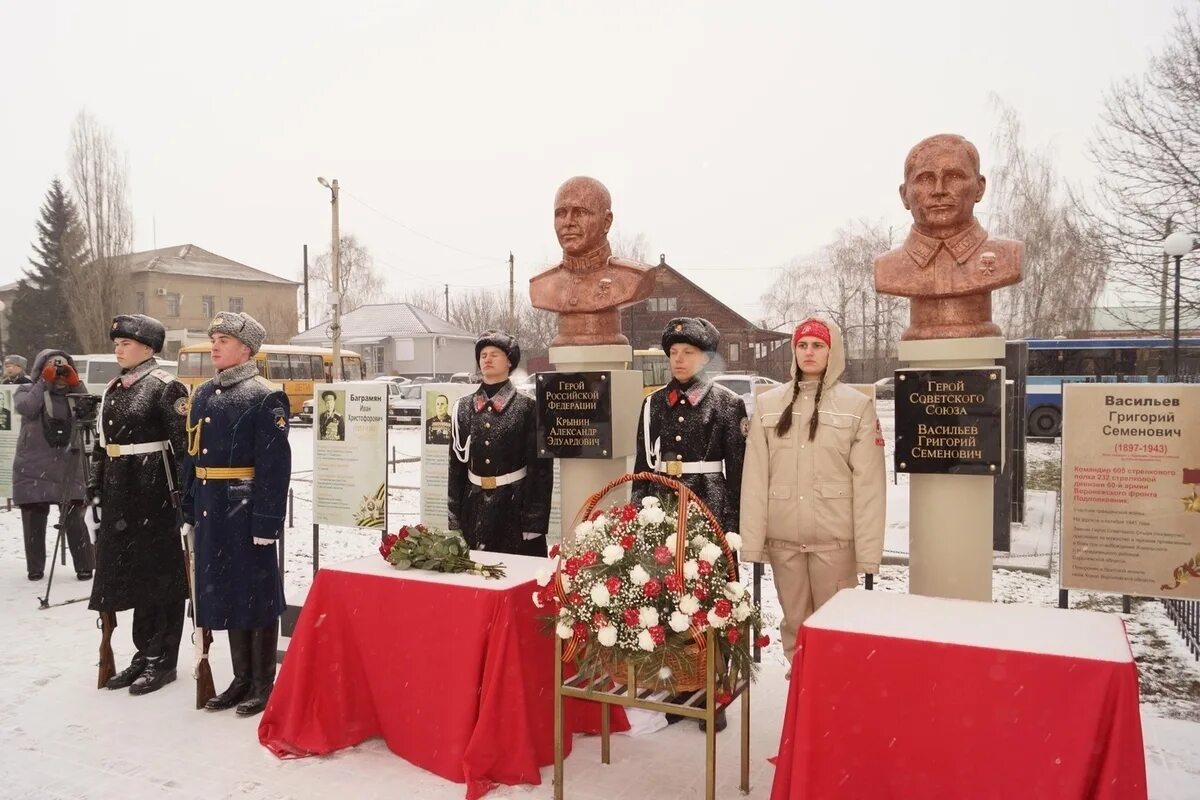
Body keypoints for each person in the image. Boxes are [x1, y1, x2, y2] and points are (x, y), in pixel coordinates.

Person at [740, 318, 886, 666]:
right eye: (802, 345)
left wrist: (868, 554)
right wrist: (753, 542)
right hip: (784, 542)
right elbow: (756, 477)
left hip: (836, 544)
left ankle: (834, 699)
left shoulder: (856, 406)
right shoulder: (770, 404)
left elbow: (869, 485)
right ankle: (801, 695)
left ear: (831, 352)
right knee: (794, 626)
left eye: (817, 346)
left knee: (836, 630)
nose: (809, 352)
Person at [632, 317, 747, 733]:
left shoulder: (727, 404)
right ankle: (680, 686)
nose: (679, 360)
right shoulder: (652, 405)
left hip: (708, 506)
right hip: (663, 507)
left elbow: (738, 471)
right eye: (674, 353)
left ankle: (713, 693)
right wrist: (638, 519)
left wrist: (732, 527)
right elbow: (643, 466)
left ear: (706, 357)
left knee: (708, 603)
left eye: (689, 353)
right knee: (668, 599)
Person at [182, 311, 290, 717]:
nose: (214, 346)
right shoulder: (206, 393)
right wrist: (189, 507)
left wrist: (267, 521)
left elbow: (275, 466)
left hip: (244, 511)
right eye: (213, 339)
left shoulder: (265, 395)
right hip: (212, 510)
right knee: (225, 594)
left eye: (223, 340)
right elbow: (192, 459)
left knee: (255, 596)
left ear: (245, 348)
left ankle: (263, 682)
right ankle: (240, 678)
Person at [88, 315, 190, 696]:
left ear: (148, 349)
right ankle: (142, 652)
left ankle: (163, 659)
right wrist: (95, 488)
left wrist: (185, 498)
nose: (118, 348)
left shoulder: (164, 387)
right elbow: (102, 443)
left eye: (126, 343)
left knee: (161, 577)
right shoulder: (115, 388)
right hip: (121, 489)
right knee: (133, 574)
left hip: (155, 491)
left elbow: (182, 449)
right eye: (116, 343)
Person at [875, 133, 1023, 340]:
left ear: (980, 188)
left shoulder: (1009, 256)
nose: (939, 190)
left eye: (954, 177)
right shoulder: (887, 268)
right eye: (925, 179)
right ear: (904, 194)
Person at [447, 331, 551, 556]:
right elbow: (456, 468)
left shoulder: (527, 409)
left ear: (510, 361)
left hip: (514, 509)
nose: (487, 359)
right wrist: (454, 519)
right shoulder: (463, 409)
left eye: (495, 354)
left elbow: (540, 471)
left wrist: (533, 523)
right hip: (474, 511)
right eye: (483, 355)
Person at [529, 176, 656, 346]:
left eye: (580, 212)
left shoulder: (634, 277)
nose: (568, 223)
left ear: (606, 221)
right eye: (561, 213)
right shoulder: (542, 285)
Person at [13, 350, 95, 581]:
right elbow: (27, 408)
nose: (58, 370)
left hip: (68, 463)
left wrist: (75, 383)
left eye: (63, 366)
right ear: (40, 367)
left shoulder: (74, 393)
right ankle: (35, 568)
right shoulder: (27, 389)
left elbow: (90, 412)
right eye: (52, 365)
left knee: (74, 516)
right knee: (34, 517)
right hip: (33, 465)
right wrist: (43, 382)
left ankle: (84, 566)